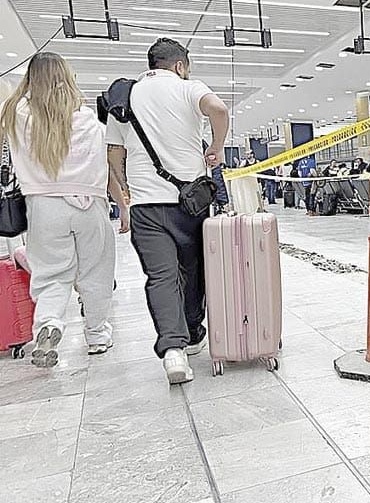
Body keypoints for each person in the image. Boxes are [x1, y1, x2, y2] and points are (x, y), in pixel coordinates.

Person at [105, 38, 230, 384]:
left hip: (145, 206)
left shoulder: (124, 97)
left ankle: (173, 351)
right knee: (192, 270)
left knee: (161, 276)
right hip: (189, 203)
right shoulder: (189, 88)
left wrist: (125, 187)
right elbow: (219, 109)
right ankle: (192, 331)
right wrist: (217, 147)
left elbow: (114, 151)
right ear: (179, 66)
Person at [0, 52, 123, 364]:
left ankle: (50, 323)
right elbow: (106, 164)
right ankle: (97, 334)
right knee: (96, 273)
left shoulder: (16, 113)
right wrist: (122, 204)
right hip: (90, 205)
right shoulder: (86, 119)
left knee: (51, 274)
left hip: (43, 206)